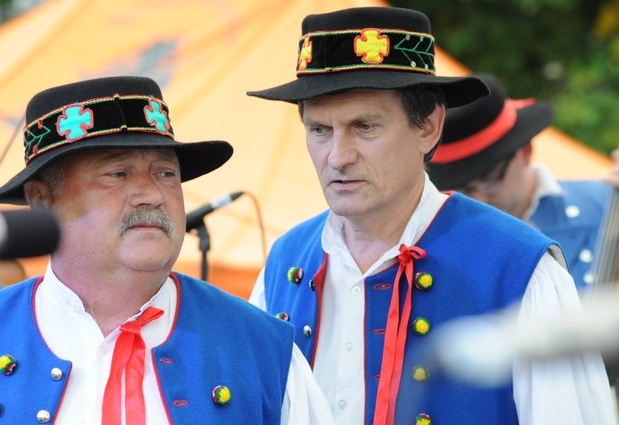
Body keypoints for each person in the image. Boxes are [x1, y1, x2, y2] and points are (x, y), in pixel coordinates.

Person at [246, 7, 616, 425]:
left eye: (365, 127)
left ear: (428, 127)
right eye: (319, 130)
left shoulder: (522, 268)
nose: (337, 157)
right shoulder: (283, 262)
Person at [0, 76, 333, 424]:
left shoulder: (265, 350)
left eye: (165, 173)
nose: (151, 194)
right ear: (42, 199)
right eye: (117, 174)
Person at [427, 73, 612, 289]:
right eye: (460, 187)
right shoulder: (439, 240)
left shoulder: (607, 205)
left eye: (488, 179)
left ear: (525, 152)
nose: (477, 199)